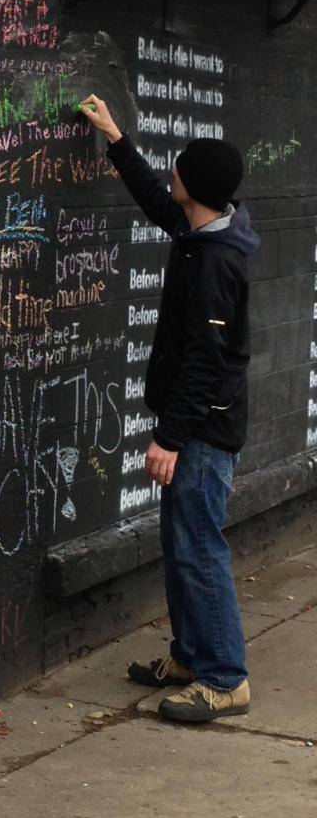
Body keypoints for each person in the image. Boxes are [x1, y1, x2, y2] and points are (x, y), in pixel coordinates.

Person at [77, 96, 259, 723]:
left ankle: (224, 677)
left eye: (181, 168)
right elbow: (160, 201)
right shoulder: (201, 230)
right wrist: (116, 139)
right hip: (196, 428)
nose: (173, 173)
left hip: (203, 432)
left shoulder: (215, 262)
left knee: (199, 547)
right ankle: (190, 656)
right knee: (182, 544)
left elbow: (207, 365)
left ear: (200, 189)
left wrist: (171, 438)